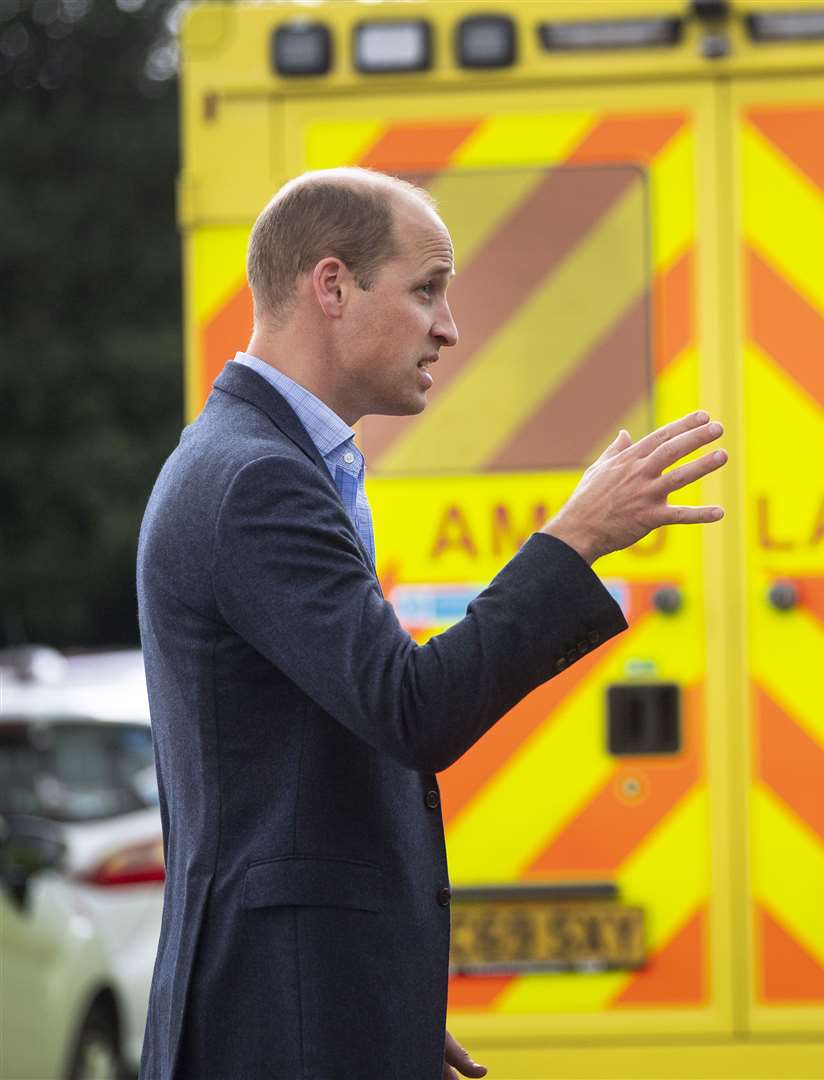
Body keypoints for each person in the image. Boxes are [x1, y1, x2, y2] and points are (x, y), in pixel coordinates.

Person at [136, 167, 728, 1080]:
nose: (448, 326)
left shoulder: (262, 461)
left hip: (305, 1002)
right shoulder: (257, 480)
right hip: (278, 1021)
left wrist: (375, 983)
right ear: (331, 287)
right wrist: (576, 541)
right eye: (426, 290)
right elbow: (412, 709)